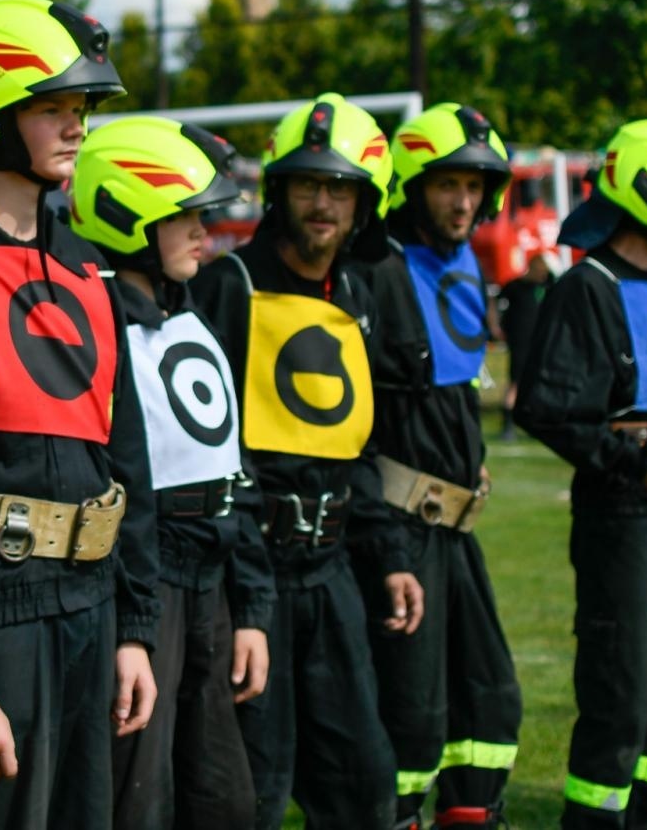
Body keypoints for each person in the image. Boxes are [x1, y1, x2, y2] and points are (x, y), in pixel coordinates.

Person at [0, 0, 159, 830]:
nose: (77, 125)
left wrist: (136, 630)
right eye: (53, 106)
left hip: (93, 610)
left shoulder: (92, 268)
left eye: (82, 106)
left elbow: (128, 460)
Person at [192, 92, 422, 830]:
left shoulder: (357, 293)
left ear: (363, 204)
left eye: (340, 189)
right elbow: (208, 450)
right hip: (250, 577)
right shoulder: (229, 285)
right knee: (254, 789)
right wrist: (247, 593)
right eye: (308, 185)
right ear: (280, 192)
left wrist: (390, 557)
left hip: (334, 573)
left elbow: (358, 446)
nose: (323, 204)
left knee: (365, 785)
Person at [515, 118, 647, 829]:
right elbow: (546, 407)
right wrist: (637, 465)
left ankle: (643, 815)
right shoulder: (589, 287)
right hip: (622, 517)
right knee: (623, 694)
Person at [69, 115, 275, 830]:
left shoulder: (191, 317)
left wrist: (251, 611)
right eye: (184, 215)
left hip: (211, 589)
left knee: (226, 801)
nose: (203, 233)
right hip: (145, 585)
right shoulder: (97, 328)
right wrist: (137, 625)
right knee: (139, 799)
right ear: (126, 215)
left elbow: (232, 473)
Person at [355, 102, 522, 830]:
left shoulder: (464, 263)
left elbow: (453, 388)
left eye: (475, 187)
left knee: (490, 696)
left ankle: (472, 814)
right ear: (414, 185)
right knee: (411, 708)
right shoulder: (375, 268)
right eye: (448, 184)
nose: (463, 201)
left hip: (457, 529)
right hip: (399, 525)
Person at [497, 254, 553, 440]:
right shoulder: (516, 287)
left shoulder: (546, 287)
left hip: (541, 341)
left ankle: (535, 423)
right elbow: (496, 303)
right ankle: (508, 425)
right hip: (520, 342)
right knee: (516, 382)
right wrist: (496, 326)